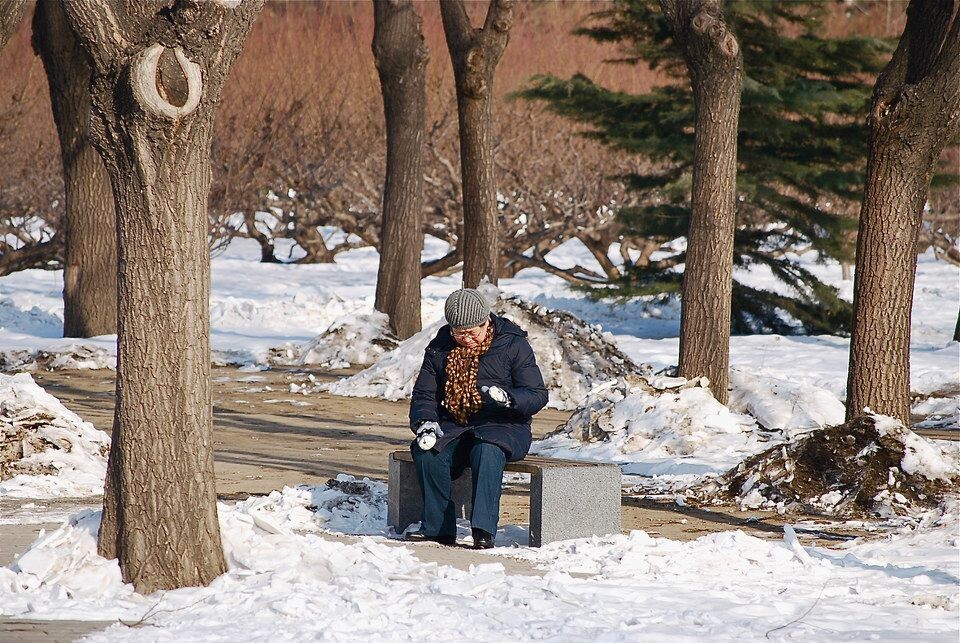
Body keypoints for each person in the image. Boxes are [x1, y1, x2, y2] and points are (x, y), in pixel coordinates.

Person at [406, 288, 548, 549]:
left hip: (504, 425)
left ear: (486, 322)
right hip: (455, 426)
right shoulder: (440, 347)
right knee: (427, 452)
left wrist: (509, 399)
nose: (467, 338)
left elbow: (537, 394)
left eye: (473, 332)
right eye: (460, 333)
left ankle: (483, 530)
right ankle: (438, 529)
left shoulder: (513, 344)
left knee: (487, 450)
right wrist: (425, 422)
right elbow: (424, 394)